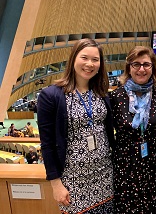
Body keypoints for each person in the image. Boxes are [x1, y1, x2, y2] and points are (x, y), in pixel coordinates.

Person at [37, 38, 115, 213]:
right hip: (73, 180)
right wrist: (56, 184)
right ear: (73, 59)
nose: (90, 64)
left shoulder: (101, 93)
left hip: (105, 176)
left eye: (95, 60)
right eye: (84, 58)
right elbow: (47, 144)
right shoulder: (51, 96)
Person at [109, 46, 156, 213]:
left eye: (146, 64)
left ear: (153, 68)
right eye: (136, 64)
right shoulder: (115, 97)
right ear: (129, 68)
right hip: (126, 169)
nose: (141, 69)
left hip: (155, 169)